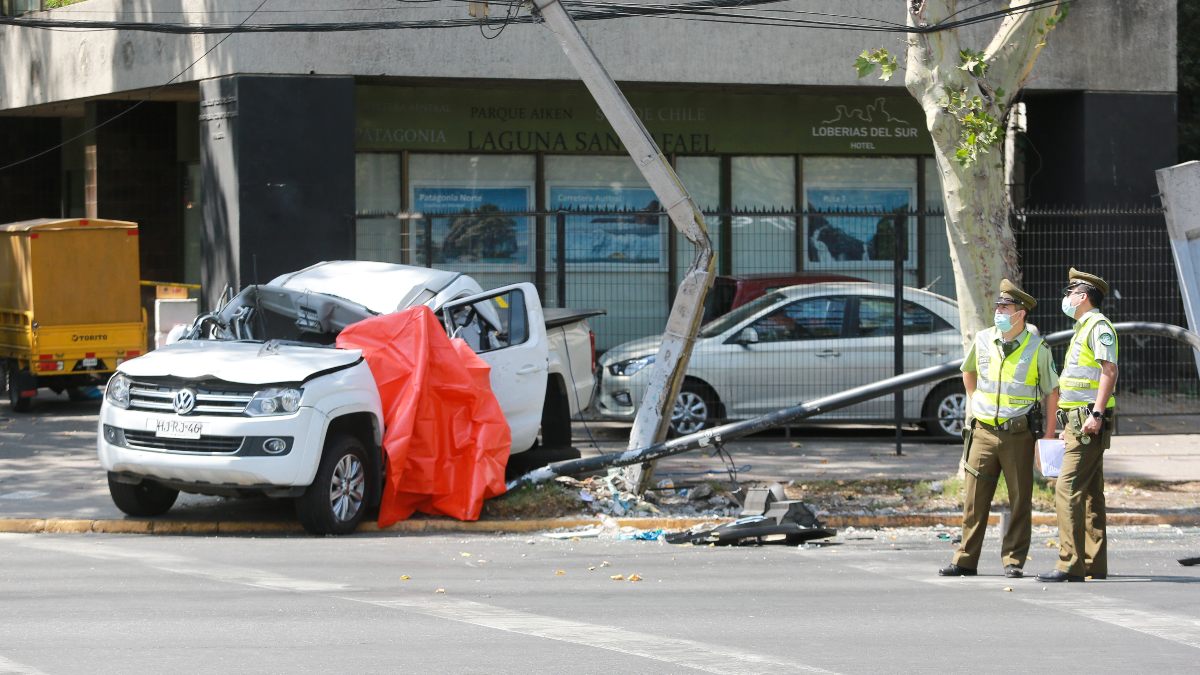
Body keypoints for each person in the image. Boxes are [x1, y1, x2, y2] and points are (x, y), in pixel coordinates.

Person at [939, 279, 1059, 579]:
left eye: (1005, 307)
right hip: (982, 431)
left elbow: (1051, 392)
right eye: (998, 306)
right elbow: (968, 371)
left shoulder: (1037, 348)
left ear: (1021, 313)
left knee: (1020, 499)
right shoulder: (983, 339)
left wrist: (1048, 435)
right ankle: (965, 559)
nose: (999, 311)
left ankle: (1013, 560)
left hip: (1018, 433)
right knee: (974, 498)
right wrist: (976, 399)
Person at [1037, 268, 1118, 582]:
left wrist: (1096, 414)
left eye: (1070, 293)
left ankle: (1070, 564)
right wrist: (1068, 423)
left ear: (1083, 297)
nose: (1066, 298)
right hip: (1078, 421)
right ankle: (1093, 563)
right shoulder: (1083, 328)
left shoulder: (1098, 327)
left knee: (1067, 488)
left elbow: (1109, 370)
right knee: (1091, 492)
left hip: (1087, 420)